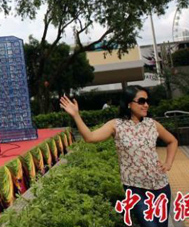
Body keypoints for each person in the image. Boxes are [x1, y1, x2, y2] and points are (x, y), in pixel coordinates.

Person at [60, 86, 178, 227]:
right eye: (141, 101)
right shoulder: (116, 125)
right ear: (129, 103)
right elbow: (90, 137)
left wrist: (168, 163)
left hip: (161, 186)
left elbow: (172, 141)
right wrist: (76, 115)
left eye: (147, 101)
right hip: (135, 189)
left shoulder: (152, 124)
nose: (146, 105)